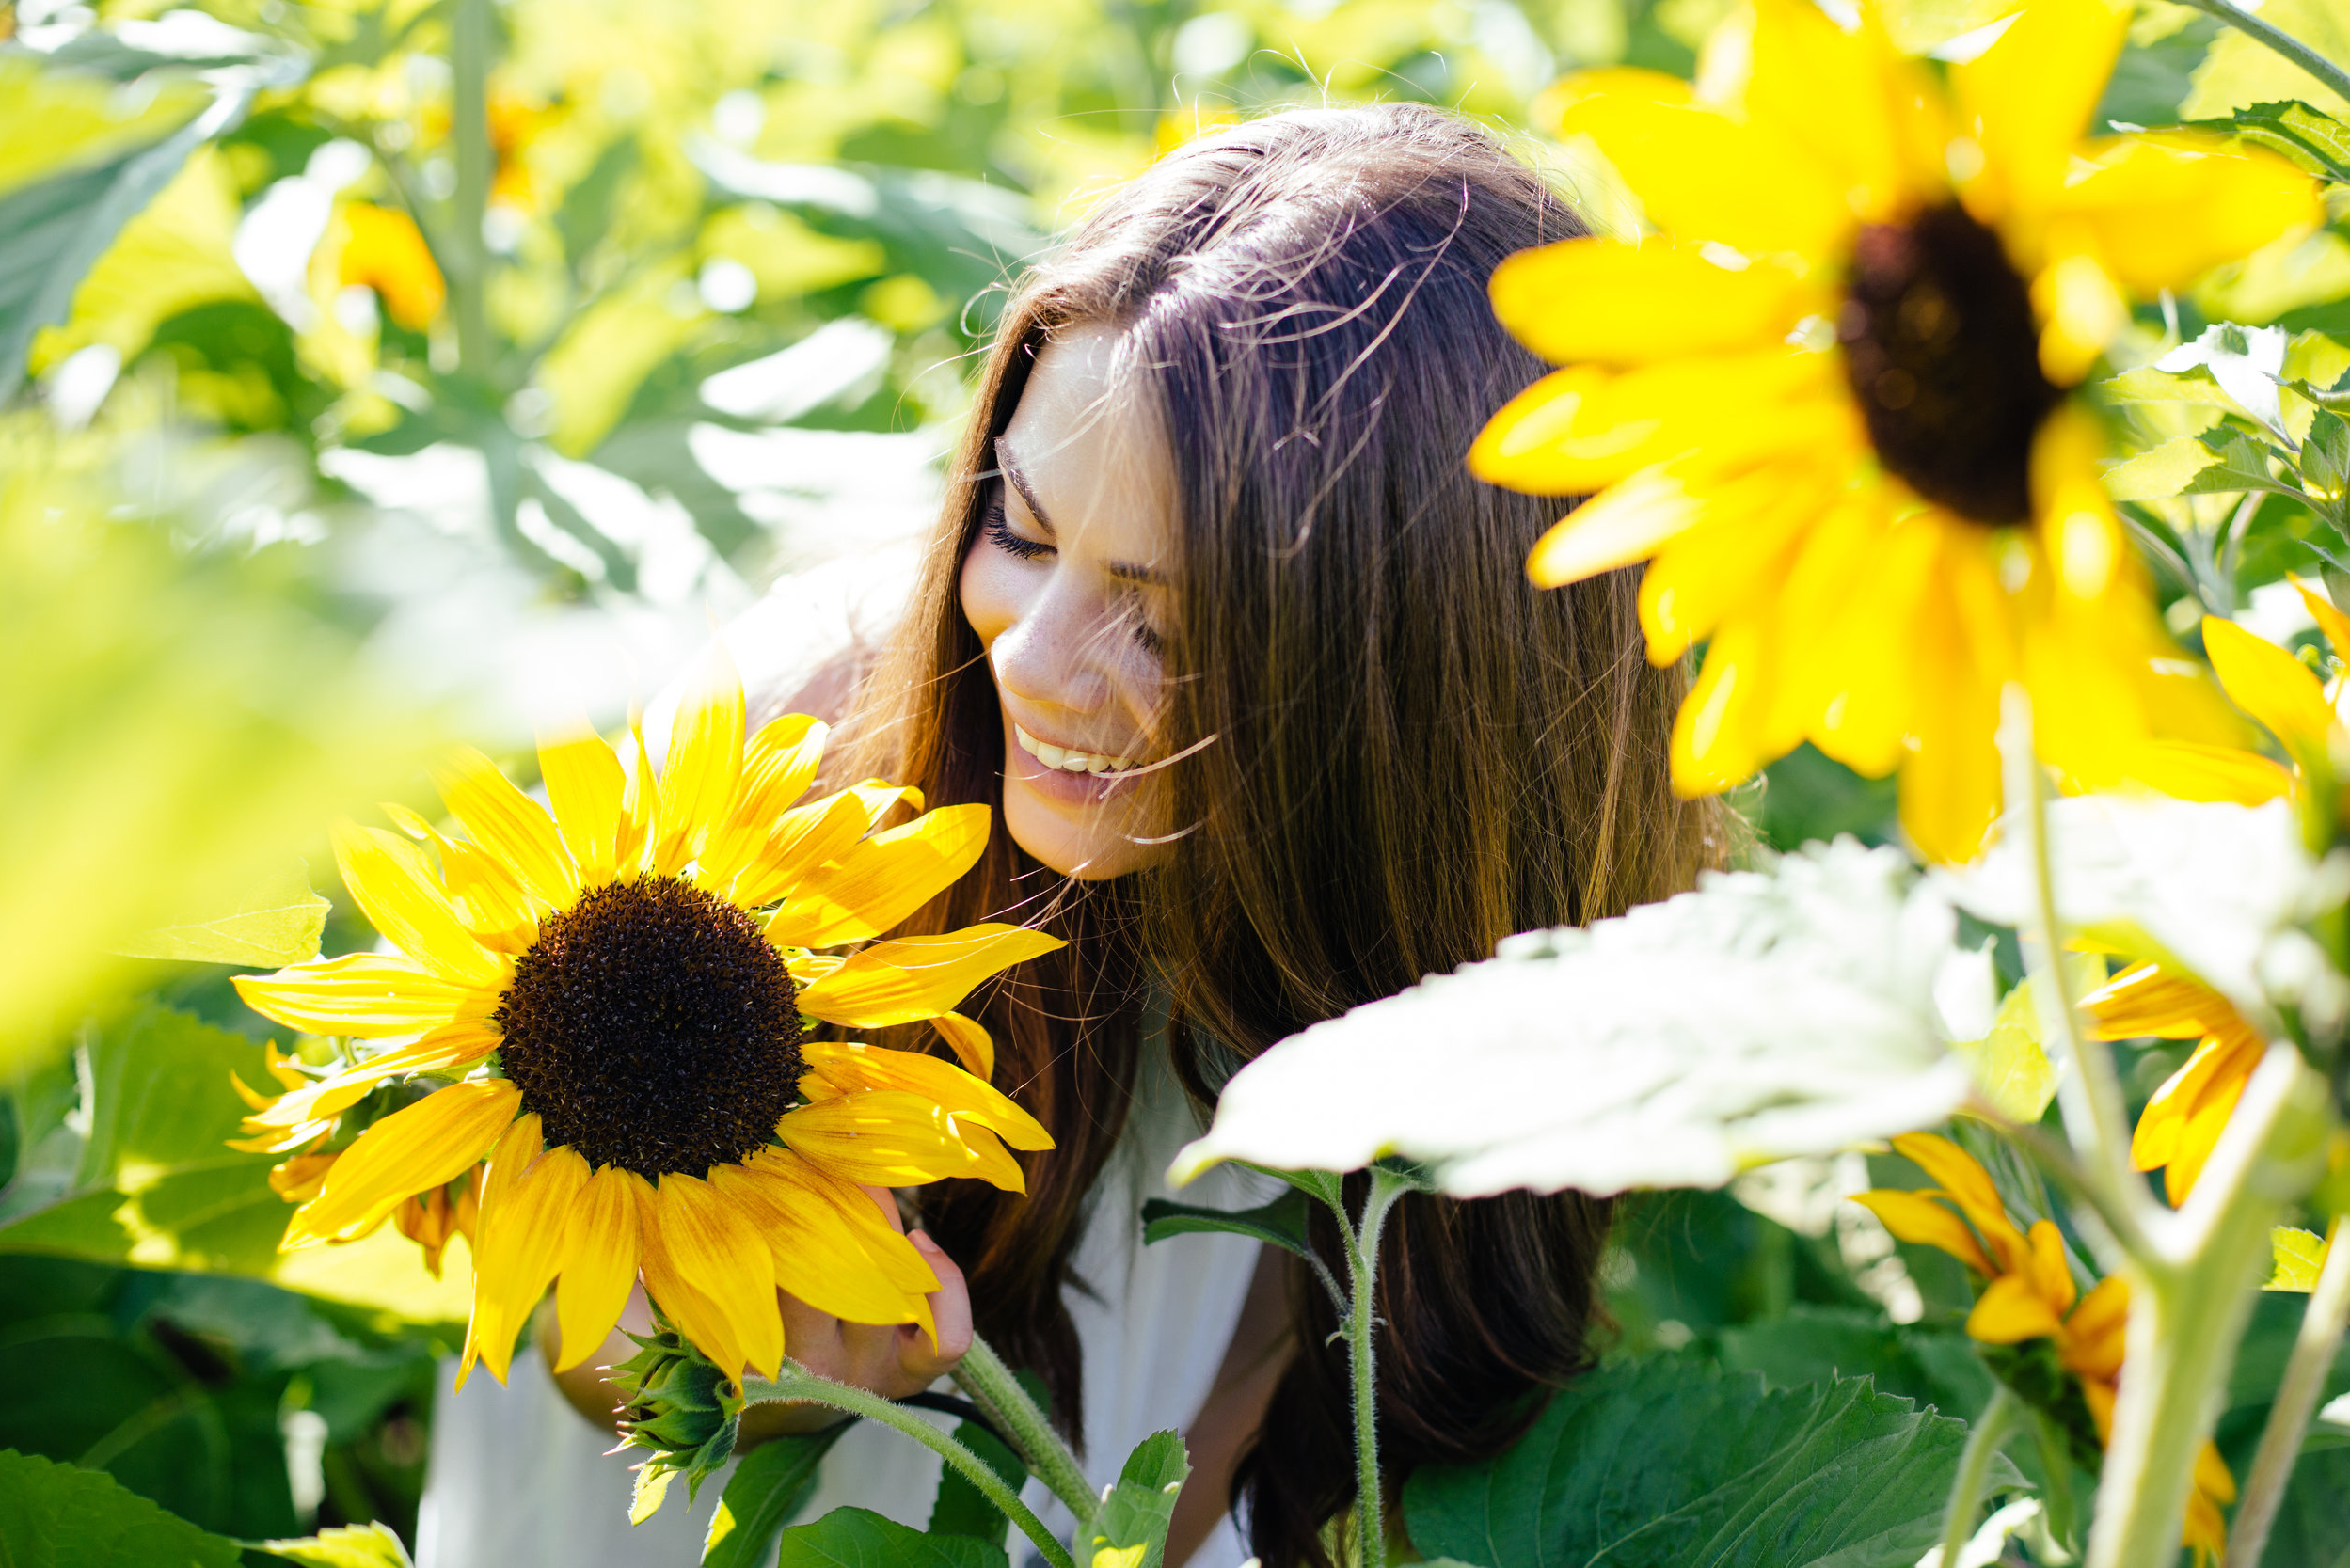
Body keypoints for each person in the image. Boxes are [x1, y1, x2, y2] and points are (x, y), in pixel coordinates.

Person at [416, 101, 1720, 1568]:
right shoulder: (814, 740)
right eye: (1024, 534)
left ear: (1416, 699)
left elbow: (1229, 1473)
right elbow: (544, 1303)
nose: (1029, 659)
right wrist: (759, 1376)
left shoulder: (1484, 962)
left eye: (1164, 620)